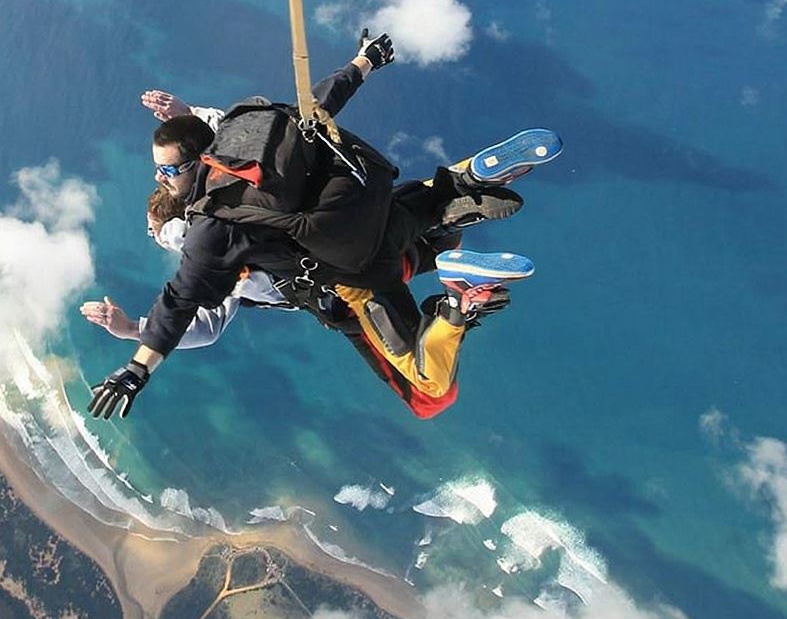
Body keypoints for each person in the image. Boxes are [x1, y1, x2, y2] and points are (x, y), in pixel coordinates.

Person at [87, 32, 560, 419]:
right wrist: (365, 61)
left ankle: (460, 303)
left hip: (349, 279)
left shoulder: (212, 233)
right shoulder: (251, 129)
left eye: (168, 171)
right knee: (435, 224)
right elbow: (319, 104)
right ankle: (470, 177)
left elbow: (183, 306)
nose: (161, 177)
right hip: (377, 213)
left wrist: (135, 364)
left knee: (429, 394)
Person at [79, 188, 293, 350]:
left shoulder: (211, 265)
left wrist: (130, 329)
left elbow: (205, 329)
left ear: (171, 234)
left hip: (319, 291)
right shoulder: (231, 207)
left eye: (153, 230)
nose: (151, 235)